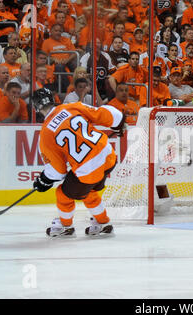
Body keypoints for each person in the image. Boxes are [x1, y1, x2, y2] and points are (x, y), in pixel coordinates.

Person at [31, 87, 124, 238]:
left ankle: (65, 226)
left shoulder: (46, 134)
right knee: (89, 191)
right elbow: (105, 114)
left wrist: (44, 180)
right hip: (108, 156)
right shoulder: (72, 106)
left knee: (63, 194)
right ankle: (103, 222)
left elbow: (57, 171)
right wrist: (119, 121)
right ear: (54, 99)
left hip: (89, 169)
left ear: (36, 108)